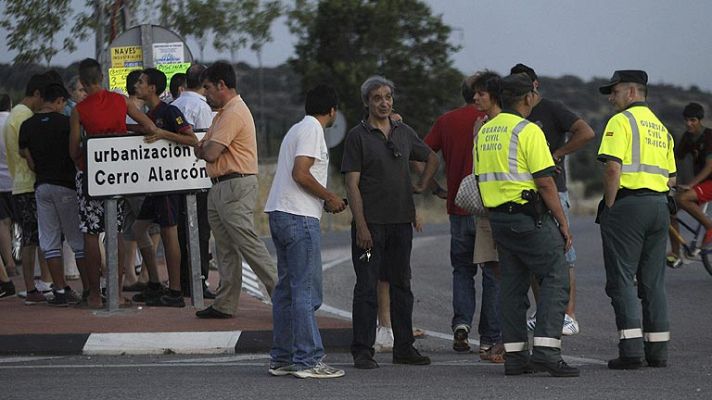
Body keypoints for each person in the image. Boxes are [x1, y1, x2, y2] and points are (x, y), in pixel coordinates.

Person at [475, 73, 578, 377]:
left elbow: (480, 179)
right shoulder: (527, 130)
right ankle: (547, 350)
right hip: (527, 217)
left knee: (513, 285)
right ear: (528, 98)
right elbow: (546, 183)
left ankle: (517, 357)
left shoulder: (484, 131)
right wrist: (563, 223)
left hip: (498, 219)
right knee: (556, 275)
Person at [342, 75, 438, 369]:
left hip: (400, 226)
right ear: (367, 103)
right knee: (367, 285)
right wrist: (362, 226)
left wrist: (422, 185)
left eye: (388, 97)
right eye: (377, 98)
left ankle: (404, 348)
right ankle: (362, 350)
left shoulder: (403, 131)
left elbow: (431, 157)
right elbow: (352, 185)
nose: (384, 103)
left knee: (401, 285)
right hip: (371, 230)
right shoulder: (358, 137)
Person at [69, 58, 175, 308]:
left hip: (90, 175)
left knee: (91, 233)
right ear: (102, 78)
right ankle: (115, 293)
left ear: (83, 82)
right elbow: (149, 126)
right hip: (117, 176)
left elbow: (73, 149)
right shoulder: (121, 101)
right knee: (115, 231)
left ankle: (95, 295)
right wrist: (121, 130)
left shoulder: (79, 110)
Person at [264, 84, 347, 379]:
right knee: (305, 290)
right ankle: (308, 360)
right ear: (333, 111)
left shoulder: (296, 129)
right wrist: (329, 197)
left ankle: (282, 357)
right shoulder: (313, 130)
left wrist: (321, 199)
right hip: (299, 218)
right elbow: (301, 173)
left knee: (286, 290)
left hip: (280, 212)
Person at [597, 70, 674, 369]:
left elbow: (612, 168)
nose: (610, 97)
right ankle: (657, 351)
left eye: (614, 91)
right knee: (653, 281)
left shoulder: (621, 121)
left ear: (631, 92)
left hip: (629, 205)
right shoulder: (661, 127)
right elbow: (672, 178)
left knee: (622, 279)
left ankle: (630, 350)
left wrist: (610, 204)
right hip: (658, 205)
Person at [510, 63, 595, 336]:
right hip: (525, 192)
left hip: (553, 188)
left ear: (535, 86)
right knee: (536, 256)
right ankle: (543, 311)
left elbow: (586, 132)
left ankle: (569, 315)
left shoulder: (552, 108)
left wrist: (557, 154)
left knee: (564, 253)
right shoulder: (511, 115)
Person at [423, 71, 503, 359]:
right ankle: (490, 336)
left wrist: (432, 186)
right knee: (493, 273)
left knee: (462, 269)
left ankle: (461, 324)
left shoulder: (446, 121)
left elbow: (421, 153)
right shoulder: (497, 121)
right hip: (487, 210)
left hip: (459, 206)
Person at [194, 61, 277, 319]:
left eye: (207, 87)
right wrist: (205, 149)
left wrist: (205, 149)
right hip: (220, 185)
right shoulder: (221, 114)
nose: (205, 93)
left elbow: (208, 151)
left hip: (235, 184)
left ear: (221, 85)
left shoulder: (233, 113)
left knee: (247, 243)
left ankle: (283, 297)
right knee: (225, 248)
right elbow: (203, 147)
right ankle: (225, 304)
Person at [127, 67, 198, 307]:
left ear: (153, 88)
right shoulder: (145, 114)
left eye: (141, 82)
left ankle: (175, 291)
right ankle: (155, 283)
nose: (136, 85)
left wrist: (162, 133)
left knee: (169, 234)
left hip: (169, 184)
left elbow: (191, 139)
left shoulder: (169, 111)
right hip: (153, 184)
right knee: (138, 229)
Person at [18, 83, 84, 306]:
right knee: (77, 240)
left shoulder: (27, 125)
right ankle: (89, 289)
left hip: (42, 186)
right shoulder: (66, 123)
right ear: (58, 101)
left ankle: (60, 289)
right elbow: (76, 151)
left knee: (50, 241)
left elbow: (25, 155)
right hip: (65, 185)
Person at [3, 73, 50, 305]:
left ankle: (38, 284)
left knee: (35, 237)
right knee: (33, 239)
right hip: (28, 182)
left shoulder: (16, 114)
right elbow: (29, 150)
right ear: (37, 95)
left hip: (20, 182)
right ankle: (32, 286)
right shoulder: (24, 117)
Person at [171, 64, 215, 299]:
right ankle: (199, 281)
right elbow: (206, 141)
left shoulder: (175, 104)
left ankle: (181, 280)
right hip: (198, 175)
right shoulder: (202, 107)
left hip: (174, 177)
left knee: (179, 232)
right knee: (200, 231)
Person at [674, 103, 712, 252]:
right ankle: (676, 253)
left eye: (693, 120)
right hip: (702, 183)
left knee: (682, 199)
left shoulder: (709, 136)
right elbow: (675, 159)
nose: (689, 124)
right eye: (686, 120)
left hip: (710, 181)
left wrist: (690, 185)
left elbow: (710, 166)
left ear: (700, 120)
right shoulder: (687, 137)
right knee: (669, 208)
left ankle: (710, 228)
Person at [0, 93, 16, 298]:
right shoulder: (14, 122)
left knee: (2, 223)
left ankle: (10, 263)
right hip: (17, 180)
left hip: (0, 182)